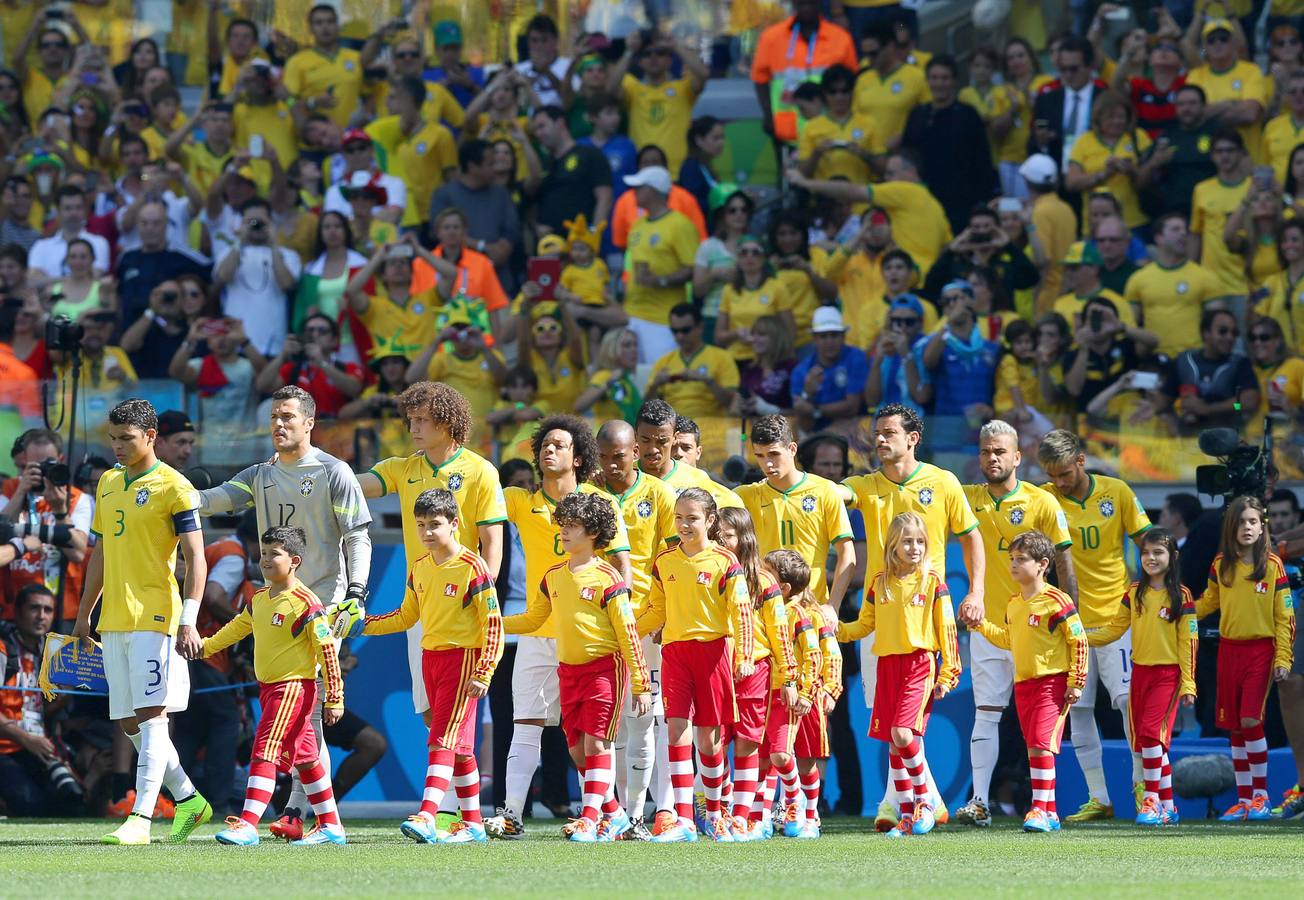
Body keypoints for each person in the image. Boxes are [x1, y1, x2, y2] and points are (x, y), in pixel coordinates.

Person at [194, 385, 371, 838]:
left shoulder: (335, 472)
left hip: (320, 602)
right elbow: (215, 499)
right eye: (274, 416)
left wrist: (356, 591)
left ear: (310, 423)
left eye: (289, 416)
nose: (279, 423)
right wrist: (175, 488)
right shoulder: (260, 474)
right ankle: (306, 817)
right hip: (276, 600)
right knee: (303, 725)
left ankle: (290, 815)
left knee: (303, 718)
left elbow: (357, 535)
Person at [71, 399, 211, 845]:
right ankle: (189, 796)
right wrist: (82, 615)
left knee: (152, 718)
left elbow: (197, 559)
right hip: (113, 617)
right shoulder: (109, 483)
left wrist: (188, 619)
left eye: (125, 439)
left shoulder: (175, 486)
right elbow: (100, 554)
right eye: (112, 438)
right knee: (129, 722)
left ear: (151, 437)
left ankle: (142, 820)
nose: (116, 447)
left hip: (157, 615)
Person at [487, 416, 632, 840]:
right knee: (526, 723)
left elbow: (622, 564)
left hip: (589, 639)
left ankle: (610, 813)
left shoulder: (599, 502)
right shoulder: (519, 500)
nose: (549, 451)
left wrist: (624, 618)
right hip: (536, 631)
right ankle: (512, 813)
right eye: (544, 445)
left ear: (579, 456)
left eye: (559, 445)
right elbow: (475, 496)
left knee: (590, 738)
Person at [840, 402, 982, 829]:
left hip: (923, 617)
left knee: (905, 726)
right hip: (880, 613)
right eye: (876, 433)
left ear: (912, 438)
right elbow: (831, 495)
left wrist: (974, 591)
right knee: (884, 719)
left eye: (889, 433)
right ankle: (908, 802)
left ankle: (905, 803)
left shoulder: (942, 482)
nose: (880, 440)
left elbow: (971, 538)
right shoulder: (865, 485)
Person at [352, 489, 503, 844]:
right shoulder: (420, 567)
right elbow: (406, 616)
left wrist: (484, 671)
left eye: (434, 524)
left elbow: (492, 623)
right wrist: (363, 623)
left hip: (463, 659)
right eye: (420, 525)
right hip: (430, 659)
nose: (426, 532)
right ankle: (474, 825)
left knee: (442, 739)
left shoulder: (473, 567)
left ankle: (427, 814)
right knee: (460, 747)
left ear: (455, 524)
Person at [503, 491, 650, 842]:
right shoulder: (554, 576)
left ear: (594, 533)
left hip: (604, 670)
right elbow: (535, 617)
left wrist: (642, 682)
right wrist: (494, 622)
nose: (564, 532)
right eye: (563, 525)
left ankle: (588, 818)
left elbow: (627, 632)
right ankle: (613, 814)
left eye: (573, 527)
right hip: (568, 672)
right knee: (576, 749)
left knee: (597, 746)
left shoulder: (608, 578)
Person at [954, 420, 1076, 827]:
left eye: (1000, 451)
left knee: (1043, 721)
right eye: (986, 451)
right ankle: (980, 802)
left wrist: (1070, 613)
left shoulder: (1042, 502)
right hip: (991, 625)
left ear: (1017, 457)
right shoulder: (966, 498)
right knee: (986, 713)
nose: (992, 458)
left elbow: (1063, 560)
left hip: (1038, 629)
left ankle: (1058, 804)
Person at [195, 526, 345, 846]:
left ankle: (248, 824)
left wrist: (335, 696)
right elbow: (237, 628)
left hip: (292, 688)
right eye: (262, 553)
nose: (264, 560)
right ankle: (331, 826)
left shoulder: (306, 602)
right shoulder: (260, 599)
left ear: (294, 561)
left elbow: (327, 650)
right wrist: (206, 647)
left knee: (265, 750)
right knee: (306, 758)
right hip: (270, 689)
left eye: (273, 554)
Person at [1037, 428, 1151, 821]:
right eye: (1053, 476)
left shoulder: (1116, 492)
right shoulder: (1044, 497)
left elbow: (1147, 541)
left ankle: (1144, 789)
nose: (1060, 482)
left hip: (1117, 619)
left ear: (1081, 461)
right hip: (1072, 625)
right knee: (1078, 709)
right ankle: (1099, 798)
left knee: (1126, 703)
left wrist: (1150, 590)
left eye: (1065, 473)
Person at [635, 488, 753, 842]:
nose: (685, 525)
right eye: (679, 518)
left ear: (711, 521)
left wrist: (744, 655)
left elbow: (741, 612)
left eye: (693, 518)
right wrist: (624, 631)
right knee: (676, 733)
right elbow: (657, 609)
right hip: (675, 653)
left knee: (709, 740)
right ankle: (684, 820)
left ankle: (716, 813)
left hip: (714, 653)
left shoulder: (725, 562)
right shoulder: (664, 561)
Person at [836, 511, 959, 838]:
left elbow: (946, 629)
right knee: (894, 740)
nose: (915, 547)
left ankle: (924, 802)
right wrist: (837, 630)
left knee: (904, 734)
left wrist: (948, 671)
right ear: (892, 545)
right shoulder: (880, 583)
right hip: (887, 666)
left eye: (920, 541)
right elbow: (866, 625)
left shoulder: (933, 582)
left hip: (919, 664)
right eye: (907, 541)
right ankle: (907, 814)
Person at [593, 420, 676, 840]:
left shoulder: (659, 494)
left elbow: (674, 557)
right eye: (604, 456)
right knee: (606, 722)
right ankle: (610, 813)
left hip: (644, 622)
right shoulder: (588, 496)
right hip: (594, 624)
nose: (611, 465)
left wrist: (666, 614)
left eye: (619, 456)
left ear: (635, 452)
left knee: (644, 719)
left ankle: (640, 814)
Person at [977, 530, 1088, 833]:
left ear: (1042, 564)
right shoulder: (1014, 603)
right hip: (1023, 684)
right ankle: (1049, 812)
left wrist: (1076, 679)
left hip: (1051, 682)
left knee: (1041, 744)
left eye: (1021, 559)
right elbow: (1008, 640)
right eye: (1012, 558)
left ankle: (1039, 808)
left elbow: (1079, 640)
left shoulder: (1057, 599)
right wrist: (981, 626)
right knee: (1034, 747)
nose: (1013, 564)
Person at [1087, 527, 1196, 828]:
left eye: (1158, 552)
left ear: (1172, 557)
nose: (1150, 558)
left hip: (1168, 675)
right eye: (1146, 552)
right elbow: (1113, 629)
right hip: (1141, 674)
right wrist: (1081, 637)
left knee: (1149, 735)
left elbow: (1189, 642)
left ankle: (1151, 800)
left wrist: (1188, 681)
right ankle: (1169, 806)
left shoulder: (1181, 596)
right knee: (1147, 743)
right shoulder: (1134, 592)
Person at [1196, 496, 1295, 822]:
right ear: (1231, 528)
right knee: (1235, 727)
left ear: (1261, 525)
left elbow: (1284, 616)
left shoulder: (1272, 565)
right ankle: (1243, 799)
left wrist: (1283, 656)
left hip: (1261, 651)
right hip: (1228, 649)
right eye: (1241, 523)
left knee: (1252, 720)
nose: (1247, 528)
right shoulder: (1221, 564)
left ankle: (1261, 797)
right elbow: (1208, 602)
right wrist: (1176, 612)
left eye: (1252, 521)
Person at [713, 506, 797, 841]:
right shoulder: (708, 570)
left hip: (755, 670)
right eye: (717, 533)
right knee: (714, 742)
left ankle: (742, 817)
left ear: (745, 539)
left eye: (728, 535)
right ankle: (720, 810)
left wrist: (790, 678)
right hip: (716, 666)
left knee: (747, 742)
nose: (721, 540)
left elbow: (779, 632)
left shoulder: (763, 581)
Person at [736, 414, 855, 617]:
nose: (767, 464)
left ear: (792, 449)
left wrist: (833, 606)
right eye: (760, 456)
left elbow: (847, 554)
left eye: (774, 454)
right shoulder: (745, 496)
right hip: (764, 613)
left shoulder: (824, 491)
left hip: (812, 610)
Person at [787, 151, 952, 276]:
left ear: (911, 173)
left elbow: (852, 191)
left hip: (905, 274)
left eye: (890, 173)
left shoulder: (906, 190)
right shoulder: (935, 205)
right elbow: (946, 247)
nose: (886, 179)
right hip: (926, 276)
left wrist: (806, 183)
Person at [0, 585, 82, 817]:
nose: (41, 616)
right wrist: (27, 739)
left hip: (36, 747)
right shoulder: (4, 649)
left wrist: (65, 698)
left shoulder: (47, 654)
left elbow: (36, 712)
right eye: (34, 608)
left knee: (71, 800)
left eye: (48, 610)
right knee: (30, 805)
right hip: (7, 748)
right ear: (17, 612)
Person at [0, 427, 91, 626]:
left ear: (60, 458)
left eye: (47, 464)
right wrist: (21, 491)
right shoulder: (9, 489)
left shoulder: (76, 498)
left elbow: (77, 554)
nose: (42, 471)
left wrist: (60, 511)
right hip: (13, 607)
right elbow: (1, 531)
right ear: (25, 460)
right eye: (35, 465)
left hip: (61, 609)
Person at [902, 55, 996, 232]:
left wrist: (982, 201)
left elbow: (982, 160)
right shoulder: (917, 115)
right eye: (934, 78)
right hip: (923, 202)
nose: (939, 83)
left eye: (945, 78)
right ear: (927, 80)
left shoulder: (968, 115)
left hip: (961, 204)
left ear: (954, 81)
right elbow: (907, 156)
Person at [752, 0, 858, 145]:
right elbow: (760, 79)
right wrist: (768, 116)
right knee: (788, 168)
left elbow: (852, 81)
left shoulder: (840, 38)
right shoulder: (771, 38)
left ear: (820, 4)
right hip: (786, 130)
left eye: (811, 3)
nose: (806, 8)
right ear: (794, 4)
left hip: (830, 129)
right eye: (801, 3)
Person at [622, 167, 699, 362]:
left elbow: (693, 269)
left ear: (652, 190)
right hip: (632, 316)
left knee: (660, 381)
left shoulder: (680, 225)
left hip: (662, 320)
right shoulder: (638, 225)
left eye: (639, 187)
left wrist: (660, 280)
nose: (634, 192)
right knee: (635, 379)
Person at [428, 139, 522, 296]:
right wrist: (483, 247)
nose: (495, 168)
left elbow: (511, 231)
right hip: (460, 286)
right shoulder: (444, 195)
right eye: (490, 164)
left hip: (500, 285)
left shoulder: (501, 193)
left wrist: (502, 250)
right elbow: (442, 231)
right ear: (472, 167)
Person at [608, 31, 706, 178]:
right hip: (642, 174)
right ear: (640, 61)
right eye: (646, 54)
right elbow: (611, 87)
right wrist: (629, 51)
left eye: (660, 53)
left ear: (670, 60)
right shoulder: (633, 87)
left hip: (678, 174)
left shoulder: (682, 89)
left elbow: (703, 74)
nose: (653, 57)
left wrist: (675, 46)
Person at [1124, 213, 1222, 359]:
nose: (1183, 233)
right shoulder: (1138, 279)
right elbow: (1130, 325)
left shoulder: (1206, 277)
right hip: (1155, 358)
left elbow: (1218, 325)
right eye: (1175, 229)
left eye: (1185, 230)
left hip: (1194, 358)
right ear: (1159, 238)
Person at [213, 198, 301, 356]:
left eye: (260, 221)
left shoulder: (288, 255)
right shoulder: (228, 252)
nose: (256, 225)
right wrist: (240, 239)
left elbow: (286, 284)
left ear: (271, 222)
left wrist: (273, 243)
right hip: (236, 346)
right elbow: (223, 277)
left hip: (274, 345)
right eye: (250, 221)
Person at [1157, 308, 1259, 434]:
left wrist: (1209, 409)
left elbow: (1246, 403)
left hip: (1227, 441)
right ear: (1206, 333)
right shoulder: (1184, 361)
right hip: (1188, 440)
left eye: (1234, 333)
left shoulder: (1240, 363)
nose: (1230, 337)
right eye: (1223, 331)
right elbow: (1162, 403)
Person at [634, 398, 744, 509]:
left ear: (674, 438)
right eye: (645, 440)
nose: (653, 449)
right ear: (635, 436)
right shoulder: (623, 476)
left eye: (662, 441)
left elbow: (735, 508)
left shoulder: (696, 480)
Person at [1185, 19, 1266, 163]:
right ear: (1204, 47)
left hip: (1248, 159)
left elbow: (1250, 114)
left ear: (1234, 43)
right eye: (1211, 40)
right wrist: (1232, 103)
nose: (1218, 44)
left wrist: (1210, 111)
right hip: (1207, 160)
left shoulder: (1252, 71)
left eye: (1224, 39)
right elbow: (1194, 116)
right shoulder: (1194, 76)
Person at [255, 315, 364, 419]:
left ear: (334, 341)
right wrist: (282, 355)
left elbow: (354, 389)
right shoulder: (293, 369)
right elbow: (263, 386)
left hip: (337, 432)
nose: (315, 334)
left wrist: (322, 363)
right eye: (310, 330)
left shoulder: (347, 367)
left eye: (322, 331)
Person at [1191, 129, 1252, 308]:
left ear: (1241, 153)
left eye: (1230, 150)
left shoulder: (1253, 189)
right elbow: (1195, 234)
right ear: (1212, 156)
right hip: (1212, 285)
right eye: (1219, 151)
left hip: (1246, 284)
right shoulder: (1201, 190)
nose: (1224, 156)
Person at [645, 308, 736, 427]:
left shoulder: (721, 357)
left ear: (700, 327)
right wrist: (655, 385)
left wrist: (708, 381)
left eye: (685, 330)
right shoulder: (663, 362)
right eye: (675, 331)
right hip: (673, 426)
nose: (680, 336)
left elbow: (731, 403)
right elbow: (648, 409)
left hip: (711, 426)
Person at [531, 105, 613, 236]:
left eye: (542, 126)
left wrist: (592, 236)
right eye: (535, 130)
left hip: (580, 246)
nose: (538, 134)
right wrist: (536, 227)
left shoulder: (590, 155)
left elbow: (605, 197)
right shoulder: (544, 164)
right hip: (548, 247)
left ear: (560, 123)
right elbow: (532, 202)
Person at [716, 234, 795, 367]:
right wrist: (737, 333)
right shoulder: (728, 290)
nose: (749, 257)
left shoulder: (777, 287)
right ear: (738, 258)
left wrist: (765, 340)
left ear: (763, 258)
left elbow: (790, 331)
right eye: (744, 253)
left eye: (755, 252)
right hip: (736, 358)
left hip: (768, 360)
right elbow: (719, 336)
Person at [282, 5, 363, 130]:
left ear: (338, 26)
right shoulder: (296, 62)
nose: (325, 27)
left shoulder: (356, 58)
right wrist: (311, 102)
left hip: (351, 142)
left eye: (330, 21)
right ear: (310, 29)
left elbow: (369, 95)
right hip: (314, 142)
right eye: (318, 23)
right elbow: (287, 101)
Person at [852, 22, 930, 152]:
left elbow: (928, 116)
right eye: (866, 54)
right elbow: (855, 118)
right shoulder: (862, 80)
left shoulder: (917, 77)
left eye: (874, 53)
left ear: (890, 47)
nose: (869, 59)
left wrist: (904, 136)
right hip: (869, 158)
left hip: (904, 154)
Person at [1027, 35, 1100, 172]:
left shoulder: (1104, 98)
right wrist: (1041, 142)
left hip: (1096, 174)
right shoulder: (1046, 100)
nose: (1067, 75)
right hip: (1059, 178)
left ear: (1090, 66)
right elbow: (1032, 144)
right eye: (1063, 69)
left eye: (1073, 69)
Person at [790, 306, 868, 433]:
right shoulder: (800, 371)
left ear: (843, 337)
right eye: (823, 336)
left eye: (834, 335)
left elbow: (852, 407)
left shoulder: (856, 358)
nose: (829, 341)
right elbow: (805, 425)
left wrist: (815, 410)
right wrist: (808, 394)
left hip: (855, 431)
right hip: (816, 434)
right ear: (814, 339)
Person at [27, 185, 110, 279]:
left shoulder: (99, 243)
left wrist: (48, 280)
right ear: (58, 211)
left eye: (78, 207)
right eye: (68, 208)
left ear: (85, 210)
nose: (73, 213)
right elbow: (32, 280)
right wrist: (73, 280)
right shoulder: (41, 246)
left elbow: (94, 277)